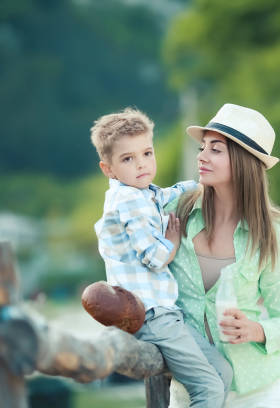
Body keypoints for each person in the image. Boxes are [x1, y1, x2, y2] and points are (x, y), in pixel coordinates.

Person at [90, 107, 232, 408]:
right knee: (208, 387)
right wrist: (172, 241)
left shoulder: (142, 193)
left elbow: (170, 193)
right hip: (151, 315)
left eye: (147, 153)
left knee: (222, 372)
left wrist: (206, 183)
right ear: (108, 169)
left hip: (166, 313)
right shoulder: (129, 200)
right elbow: (154, 257)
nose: (141, 165)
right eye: (128, 159)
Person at [166, 103, 280, 407]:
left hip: (260, 392)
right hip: (192, 392)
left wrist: (255, 329)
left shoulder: (271, 233)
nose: (201, 156)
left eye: (216, 149)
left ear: (243, 161)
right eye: (203, 147)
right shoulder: (178, 213)